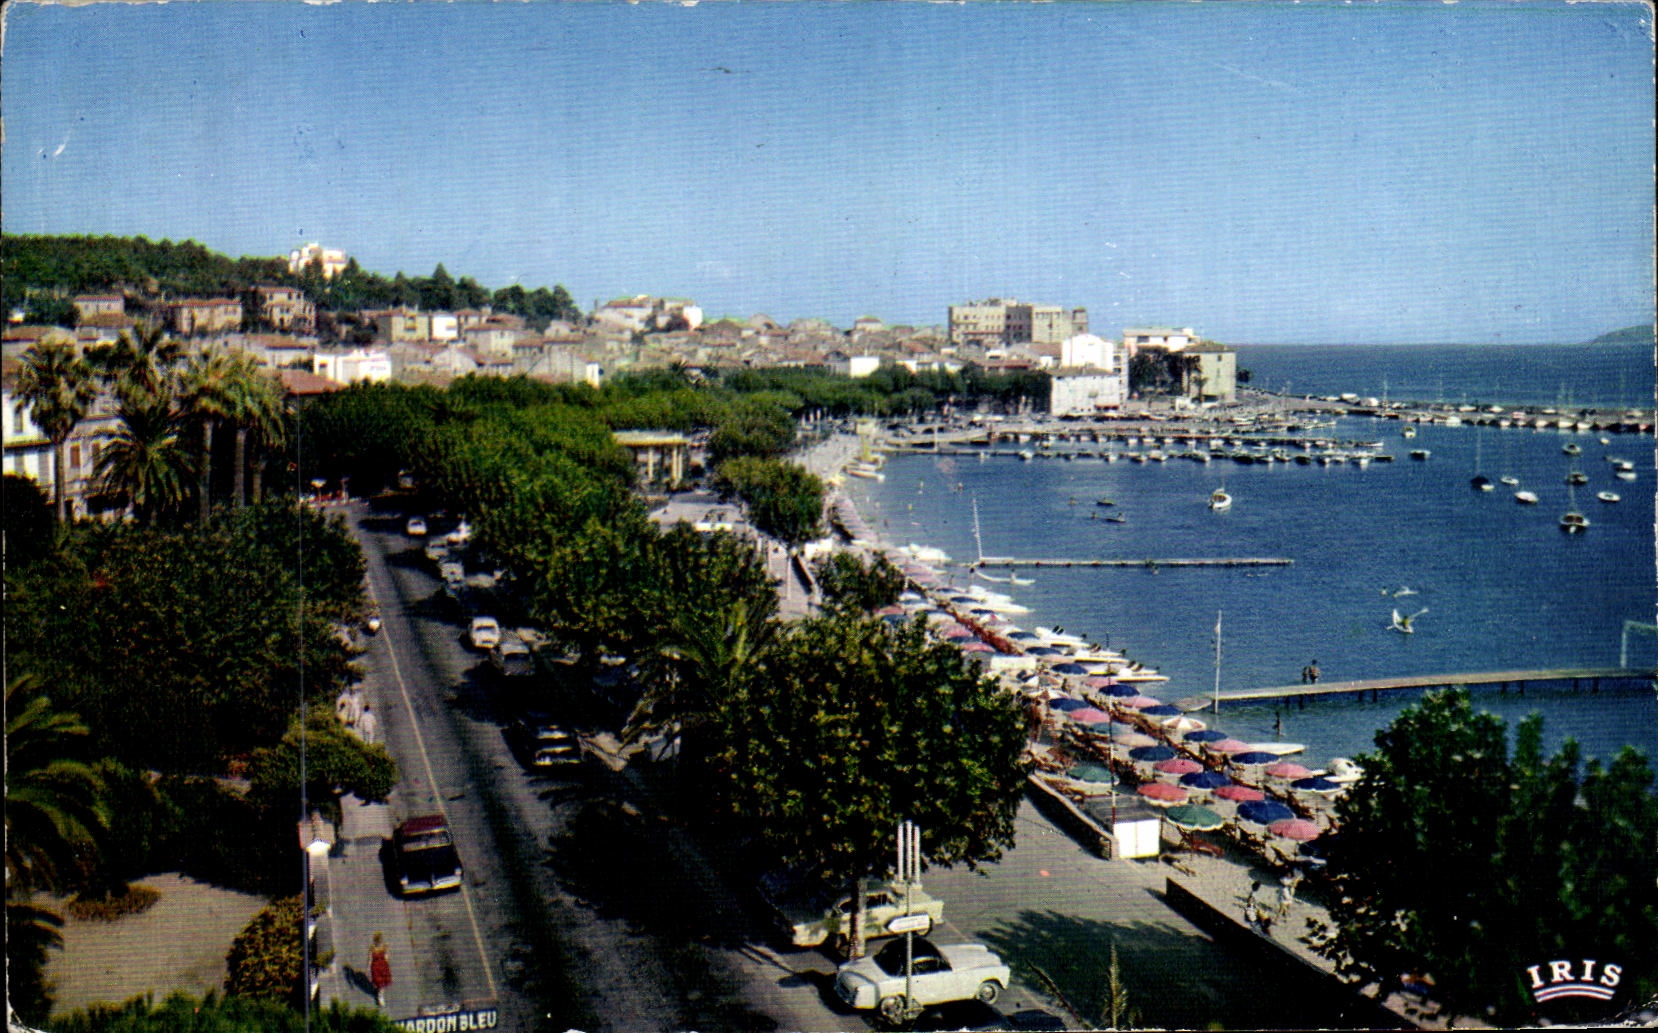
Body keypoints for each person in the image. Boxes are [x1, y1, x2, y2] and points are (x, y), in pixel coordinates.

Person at [369, 932, 392, 1007]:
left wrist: (386, 965)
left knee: (382, 983)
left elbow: (386, 956)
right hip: (376, 968)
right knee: (379, 983)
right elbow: (370, 959)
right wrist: (368, 969)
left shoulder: (384, 946)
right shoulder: (372, 948)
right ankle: (380, 996)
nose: (377, 942)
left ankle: (380, 995)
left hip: (382, 967)